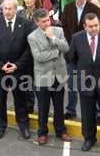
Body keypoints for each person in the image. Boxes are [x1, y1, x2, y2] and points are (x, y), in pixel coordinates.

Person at [69, 13, 100, 152]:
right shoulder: (76, 38)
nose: (94, 29)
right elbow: (72, 59)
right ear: (85, 26)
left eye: (96, 25)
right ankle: (89, 138)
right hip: (85, 82)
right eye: (90, 26)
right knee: (87, 113)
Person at [0, 0, 35, 139]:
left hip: (18, 70)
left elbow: (28, 48)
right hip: (0, 70)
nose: (7, 12)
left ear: (16, 9)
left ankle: (23, 126)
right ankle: (1, 126)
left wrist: (17, 65)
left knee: (20, 100)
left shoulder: (25, 24)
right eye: (4, 9)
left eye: (10, 9)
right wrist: (1, 66)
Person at [28, 9, 71, 145]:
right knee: (43, 107)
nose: (47, 23)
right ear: (36, 22)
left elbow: (66, 48)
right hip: (43, 77)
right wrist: (56, 52)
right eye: (43, 22)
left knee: (59, 106)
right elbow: (38, 57)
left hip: (58, 75)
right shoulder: (32, 37)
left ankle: (61, 131)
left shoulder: (58, 31)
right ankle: (42, 133)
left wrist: (53, 38)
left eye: (48, 20)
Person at [61, 0, 100, 120]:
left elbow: (96, 31)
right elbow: (65, 28)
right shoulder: (67, 8)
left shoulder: (95, 9)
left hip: (89, 52)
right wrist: (70, 47)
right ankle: (71, 109)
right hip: (72, 52)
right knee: (72, 84)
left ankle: (97, 112)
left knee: (92, 83)